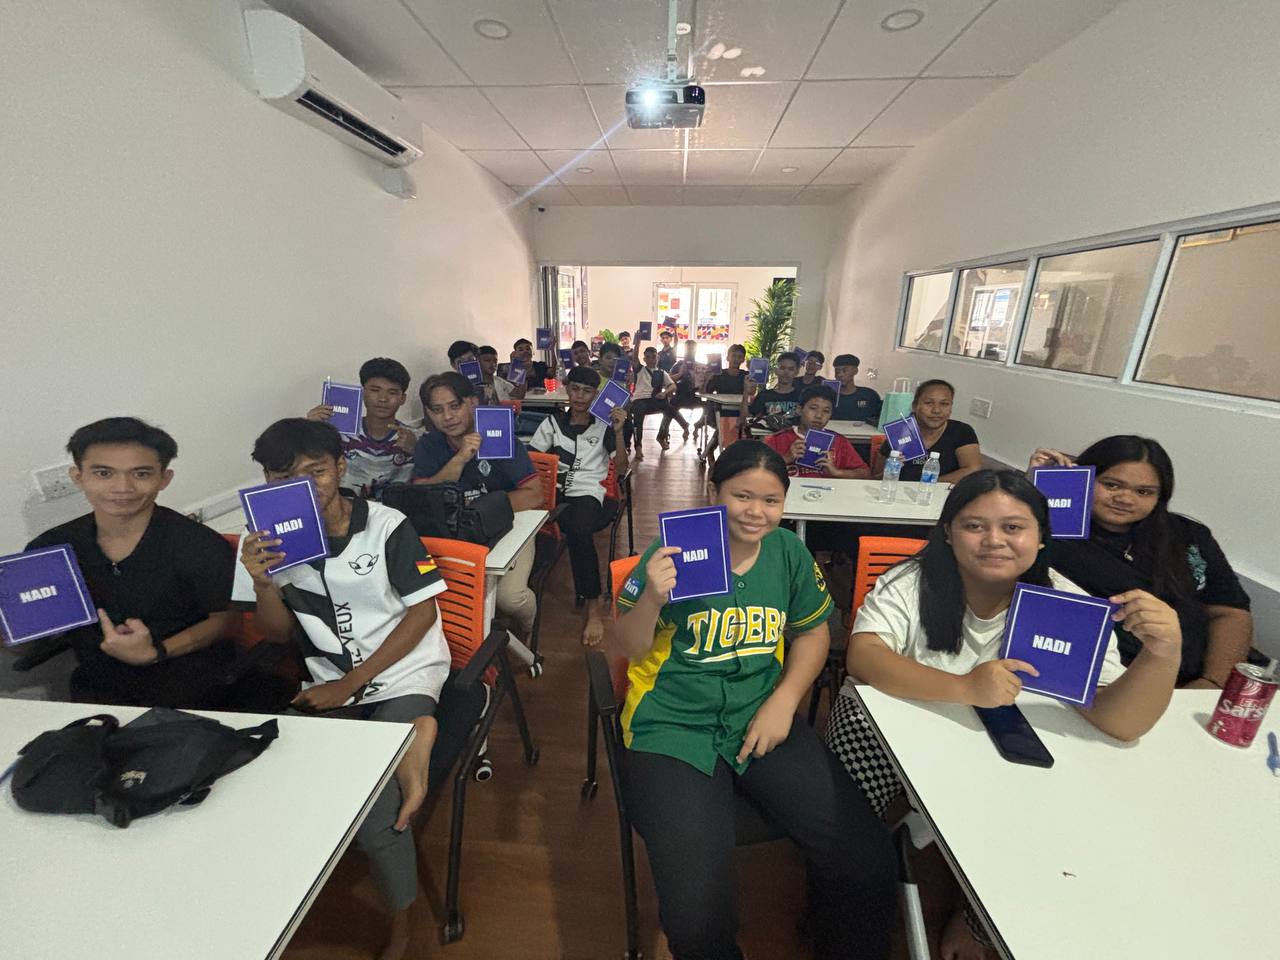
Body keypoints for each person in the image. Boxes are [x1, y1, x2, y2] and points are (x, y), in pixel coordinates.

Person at [826, 469, 1180, 959]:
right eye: (975, 526)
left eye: (1014, 527)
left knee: (1052, 814)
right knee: (844, 827)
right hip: (894, 720)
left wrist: (1163, 654)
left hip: (1003, 740)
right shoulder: (911, 581)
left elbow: (1121, 722)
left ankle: (976, 920)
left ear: (1041, 538)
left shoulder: (1065, 603)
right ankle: (848, 898)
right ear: (948, 532)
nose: (994, 540)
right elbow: (864, 657)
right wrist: (964, 687)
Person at [613, 441, 897, 960]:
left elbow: (812, 633)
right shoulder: (673, 552)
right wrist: (652, 597)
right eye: (741, 496)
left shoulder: (788, 551)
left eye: (771, 500)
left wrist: (785, 701)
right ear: (713, 491)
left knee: (865, 856)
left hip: (760, 715)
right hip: (672, 728)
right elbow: (629, 645)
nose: (756, 512)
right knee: (697, 924)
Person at [235, 418, 449, 960]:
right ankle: (409, 740)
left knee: (378, 817)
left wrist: (351, 684)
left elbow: (423, 613)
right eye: (284, 477)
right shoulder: (265, 542)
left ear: (341, 468)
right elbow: (276, 633)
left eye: (317, 471)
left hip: (402, 673)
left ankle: (401, 925)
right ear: (266, 481)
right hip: (326, 683)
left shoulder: (385, 526)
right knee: (273, 782)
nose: (305, 487)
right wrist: (262, 583)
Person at [23, 418, 293, 711]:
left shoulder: (197, 543)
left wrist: (156, 651)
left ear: (164, 478)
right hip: (98, 693)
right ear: (78, 477)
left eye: (141, 474)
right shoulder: (50, 549)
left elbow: (228, 621)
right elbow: (28, 635)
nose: (122, 487)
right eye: (103, 473)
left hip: (196, 687)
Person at [1028, 436, 1253, 688]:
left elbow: (1230, 612)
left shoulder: (1188, 535)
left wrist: (1212, 683)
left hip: (1198, 681)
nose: (1125, 499)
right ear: (1083, 478)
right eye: (1111, 485)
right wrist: (1032, 490)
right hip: (1106, 684)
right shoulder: (1050, 535)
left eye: (1144, 492)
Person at [412, 372, 542, 641]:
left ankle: (530, 626)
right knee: (430, 590)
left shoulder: (499, 436)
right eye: (437, 410)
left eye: (455, 406)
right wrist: (460, 459)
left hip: (509, 524)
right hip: (452, 532)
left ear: (472, 402)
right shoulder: (429, 444)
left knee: (510, 598)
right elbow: (421, 495)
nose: (447, 416)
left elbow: (534, 495)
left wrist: (484, 511)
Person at [528, 366, 629, 646]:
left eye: (587, 391)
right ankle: (524, 597)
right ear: (567, 390)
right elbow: (533, 459)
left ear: (596, 395)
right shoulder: (552, 423)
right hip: (554, 492)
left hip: (589, 493)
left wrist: (619, 432)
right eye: (575, 389)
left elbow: (622, 468)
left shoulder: (604, 426)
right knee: (526, 523)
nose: (580, 396)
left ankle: (593, 606)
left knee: (578, 530)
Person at [307, 357, 420, 501]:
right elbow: (306, 468)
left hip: (396, 514)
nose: (383, 399)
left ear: (403, 398)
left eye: (392, 392)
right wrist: (309, 429)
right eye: (375, 390)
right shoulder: (340, 433)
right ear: (362, 393)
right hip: (347, 511)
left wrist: (417, 450)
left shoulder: (414, 437)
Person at [874, 379, 981, 483]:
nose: (936, 410)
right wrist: (890, 468)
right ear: (915, 406)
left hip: (942, 493)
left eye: (944, 404)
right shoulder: (899, 432)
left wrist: (927, 484)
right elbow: (876, 478)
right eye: (929, 403)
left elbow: (972, 469)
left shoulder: (961, 431)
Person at [764, 386, 869, 480]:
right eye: (813, 408)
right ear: (799, 410)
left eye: (826, 411)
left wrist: (837, 472)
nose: (819, 415)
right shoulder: (777, 439)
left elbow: (865, 473)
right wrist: (786, 458)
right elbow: (757, 472)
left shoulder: (839, 441)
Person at [701, 343, 749, 465]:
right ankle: (711, 450)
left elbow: (751, 393)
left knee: (742, 423)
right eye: (733, 356)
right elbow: (705, 392)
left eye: (739, 357)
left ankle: (725, 453)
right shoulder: (718, 374)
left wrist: (755, 380)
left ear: (743, 360)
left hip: (738, 410)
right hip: (719, 409)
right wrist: (707, 379)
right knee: (722, 424)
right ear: (727, 357)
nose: (736, 359)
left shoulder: (745, 376)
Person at [631, 345, 678, 460]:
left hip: (654, 399)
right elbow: (634, 357)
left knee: (670, 411)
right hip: (639, 399)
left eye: (653, 357)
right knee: (638, 417)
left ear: (658, 358)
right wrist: (638, 342)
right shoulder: (640, 369)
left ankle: (661, 436)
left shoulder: (662, 372)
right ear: (644, 359)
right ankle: (638, 447)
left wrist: (665, 393)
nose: (651, 360)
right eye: (648, 357)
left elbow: (673, 386)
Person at [741, 350, 803, 424]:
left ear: (796, 372)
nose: (786, 372)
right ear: (776, 370)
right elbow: (746, 420)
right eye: (782, 368)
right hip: (766, 431)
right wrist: (746, 392)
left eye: (791, 369)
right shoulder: (764, 395)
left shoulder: (801, 396)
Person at [830, 353, 882, 424]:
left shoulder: (869, 395)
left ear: (855, 371)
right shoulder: (829, 396)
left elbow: (880, 420)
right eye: (837, 371)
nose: (840, 374)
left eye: (845, 370)